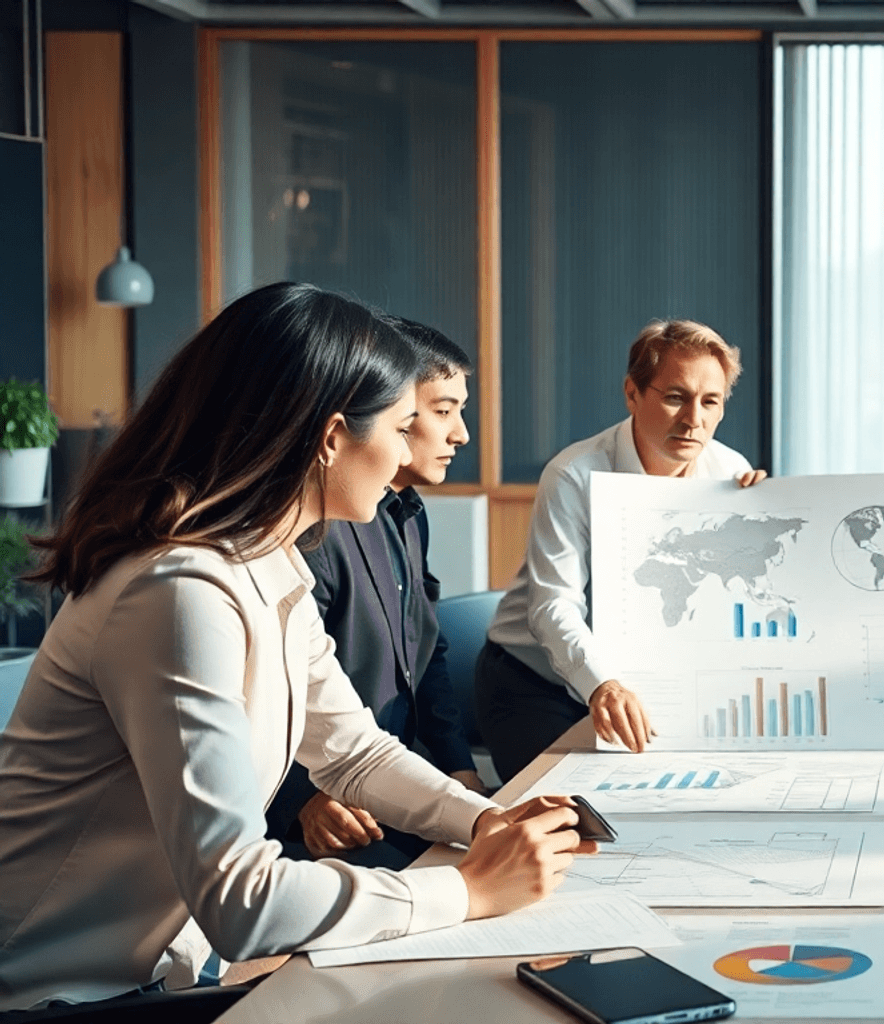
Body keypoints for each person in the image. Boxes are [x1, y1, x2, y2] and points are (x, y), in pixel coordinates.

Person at [0, 283, 592, 1012]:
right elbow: (242, 900)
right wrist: (466, 889)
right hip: (58, 997)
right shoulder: (179, 593)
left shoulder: (266, 564)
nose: (411, 451)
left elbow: (353, 752)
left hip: (164, 973)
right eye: (404, 427)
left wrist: (484, 822)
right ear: (333, 438)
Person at [476, 319, 766, 782]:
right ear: (633, 393)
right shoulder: (573, 474)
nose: (694, 419)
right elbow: (554, 608)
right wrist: (603, 685)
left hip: (648, 681)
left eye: (710, 402)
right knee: (577, 813)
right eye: (675, 397)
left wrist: (758, 516)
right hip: (535, 684)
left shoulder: (730, 472)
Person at [264, 316, 485, 870]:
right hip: (327, 808)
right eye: (438, 411)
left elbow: (425, 656)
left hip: (386, 778)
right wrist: (303, 800)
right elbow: (280, 702)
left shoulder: (405, 515)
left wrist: (461, 773)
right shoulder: (307, 534)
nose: (460, 434)